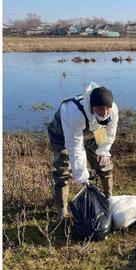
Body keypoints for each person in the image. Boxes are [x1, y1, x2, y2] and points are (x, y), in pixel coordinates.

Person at [46, 82, 118, 220]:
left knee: (104, 164)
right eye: (101, 108)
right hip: (63, 133)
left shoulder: (113, 109)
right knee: (63, 171)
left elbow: (110, 132)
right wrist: (82, 176)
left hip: (95, 130)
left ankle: (109, 200)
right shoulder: (73, 112)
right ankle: (62, 213)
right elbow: (75, 147)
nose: (105, 112)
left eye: (107, 108)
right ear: (92, 106)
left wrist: (104, 149)